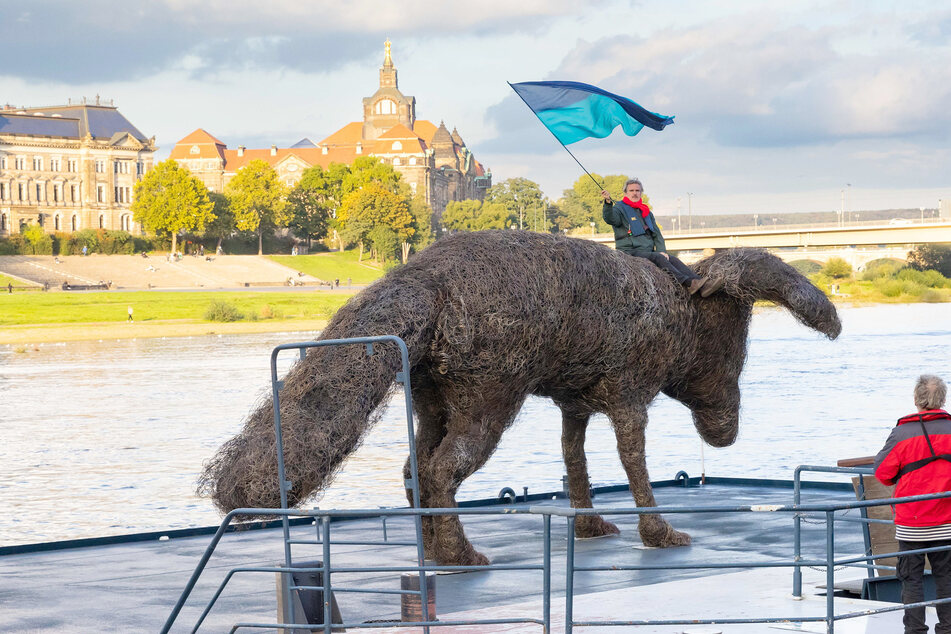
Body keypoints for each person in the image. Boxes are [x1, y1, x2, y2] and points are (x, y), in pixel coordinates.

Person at [875, 375, 951, 634]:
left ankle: (915, 630)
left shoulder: (902, 432)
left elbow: (883, 473)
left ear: (917, 399)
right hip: (947, 521)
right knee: (947, 578)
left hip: (912, 522)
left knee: (912, 578)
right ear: (942, 399)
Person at [602, 179, 722, 297]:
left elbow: (657, 235)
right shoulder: (619, 208)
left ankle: (703, 285)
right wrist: (608, 202)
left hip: (647, 251)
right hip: (629, 251)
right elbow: (610, 218)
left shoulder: (646, 212)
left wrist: (662, 251)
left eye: (637, 190)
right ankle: (689, 283)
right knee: (657, 257)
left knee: (672, 259)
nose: (635, 193)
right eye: (631, 190)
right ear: (626, 193)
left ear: (641, 192)